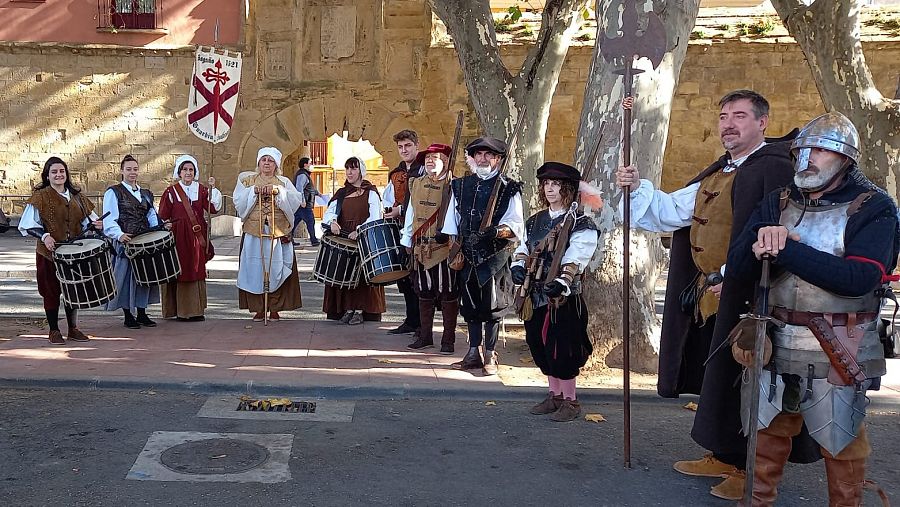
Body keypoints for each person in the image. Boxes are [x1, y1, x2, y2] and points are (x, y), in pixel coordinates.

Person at [616, 90, 802, 500]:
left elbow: (786, 233)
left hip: (754, 295)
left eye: (739, 116)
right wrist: (637, 186)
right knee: (719, 376)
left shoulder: (772, 169)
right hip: (713, 294)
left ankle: (750, 466)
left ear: (762, 123)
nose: (728, 124)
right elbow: (670, 211)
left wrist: (741, 279)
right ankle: (724, 453)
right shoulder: (720, 171)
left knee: (751, 379)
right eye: (722, 117)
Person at [727, 112, 897, 505]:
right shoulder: (779, 200)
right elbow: (738, 268)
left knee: (842, 441)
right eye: (803, 149)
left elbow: (859, 279)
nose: (809, 157)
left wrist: (787, 248)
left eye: (820, 149)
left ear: (844, 159)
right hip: (775, 336)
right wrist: (760, 249)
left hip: (842, 340)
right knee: (766, 435)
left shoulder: (872, 207)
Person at [511, 162, 599, 421]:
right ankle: (554, 395)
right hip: (535, 294)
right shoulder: (535, 220)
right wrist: (518, 265)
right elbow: (524, 247)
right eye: (547, 184)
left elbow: (577, 255)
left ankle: (570, 401)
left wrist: (562, 281)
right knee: (539, 345)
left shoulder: (581, 223)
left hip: (563, 297)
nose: (550, 189)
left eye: (556, 184)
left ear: (568, 188)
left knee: (563, 348)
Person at [442, 137, 524, 376]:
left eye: (489, 155)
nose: (483, 159)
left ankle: (490, 352)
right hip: (467, 254)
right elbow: (451, 223)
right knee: (469, 305)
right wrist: (455, 249)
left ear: (498, 159)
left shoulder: (509, 188)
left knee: (493, 306)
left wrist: (495, 232)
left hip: (495, 256)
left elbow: (516, 225)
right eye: (479, 154)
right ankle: (472, 351)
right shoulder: (460, 186)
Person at [19, 156, 103, 344]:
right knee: (51, 291)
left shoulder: (77, 196)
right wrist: (45, 236)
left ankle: (73, 329)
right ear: (47, 176)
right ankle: (54, 330)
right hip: (48, 253)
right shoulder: (40, 196)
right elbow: (27, 224)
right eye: (54, 172)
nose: (59, 175)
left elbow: (89, 220)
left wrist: (97, 225)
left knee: (72, 290)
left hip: (73, 252)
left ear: (66, 174)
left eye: (62, 171)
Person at [400, 143, 460, 353]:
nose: (429, 161)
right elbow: (411, 213)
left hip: (444, 248)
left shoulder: (455, 185)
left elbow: (457, 216)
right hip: (420, 247)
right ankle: (425, 336)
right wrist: (407, 240)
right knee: (423, 292)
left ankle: (448, 340)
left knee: (448, 293)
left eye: (435, 158)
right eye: (427, 158)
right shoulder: (415, 183)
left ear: (444, 161)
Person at [233, 147, 304, 322]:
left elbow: (296, 200)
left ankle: (275, 308)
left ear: (276, 164)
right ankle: (259, 308)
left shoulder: (284, 182)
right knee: (255, 270)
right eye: (263, 160)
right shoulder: (247, 180)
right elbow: (238, 201)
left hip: (277, 232)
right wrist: (253, 192)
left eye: (270, 160)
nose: (266, 163)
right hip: (254, 232)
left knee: (277, 268)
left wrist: (279, 192)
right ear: (258, 162)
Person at [321, 156, 386, 325]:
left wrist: (360, 230)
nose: (349, 172)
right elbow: (330, 213)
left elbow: (375, 216)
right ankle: (346, 309)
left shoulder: (371, 192)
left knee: (362, 278)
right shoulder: (342, 193)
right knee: (344, 273)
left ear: (361, 171)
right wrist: (332, 222)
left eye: (354, 168)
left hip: (364, 239)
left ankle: (360, 311)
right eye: (347, 168)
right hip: (344, 238)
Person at [157, 155, 222, 321]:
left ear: (195, 172)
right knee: (179, 270)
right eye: (185, 169)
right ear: (179, 172)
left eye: (191, 169)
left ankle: (196, 310)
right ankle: (179, 311)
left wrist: (213, 189)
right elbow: (163, 215)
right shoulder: (171, 192)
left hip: (195, 236)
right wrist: (166, 225)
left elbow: (213, 208)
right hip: (178, 237)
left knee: (195, 269)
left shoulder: (201, 189)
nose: (188, 172)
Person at [103, 155, 164, 329]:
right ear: (122, 171)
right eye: (129, 169)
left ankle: (142, 312)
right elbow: (109, 218)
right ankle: (128, 315)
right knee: (127, 278)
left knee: (144, 277)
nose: (132, 172)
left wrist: (158, 229)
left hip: (144, 241)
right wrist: (119, 234)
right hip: (126, 241)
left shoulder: (145, 194)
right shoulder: (113, 192)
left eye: (135, 169)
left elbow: (151, 215)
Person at [383, 129, 423, 336]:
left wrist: (402, 210)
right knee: (405, 277)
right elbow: (389, 199)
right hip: (400, 230)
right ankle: (411, 320)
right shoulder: (396, 174)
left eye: (408, 145)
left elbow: (425, 202)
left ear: (416, 145)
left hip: (422, 230)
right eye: (400, 147)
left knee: (420, 278)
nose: (404, 150)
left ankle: (423, 325)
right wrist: (390, 210)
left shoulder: (425, 170)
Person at [291, 157, 320, 247]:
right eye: (310, 163)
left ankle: (288, 238)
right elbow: (299, 188)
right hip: (304, 204)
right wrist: (302, 201)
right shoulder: (303, 175)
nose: (311, 165)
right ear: (305, 164)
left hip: (303, 203)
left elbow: (308, 188)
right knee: (310, 221)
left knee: (295, 221)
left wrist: (318, 193)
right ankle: (314, 240)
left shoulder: (304, 174)